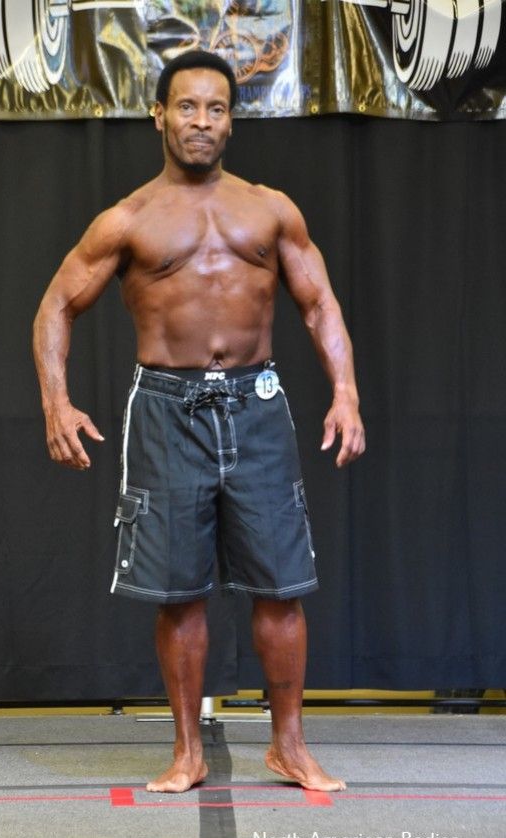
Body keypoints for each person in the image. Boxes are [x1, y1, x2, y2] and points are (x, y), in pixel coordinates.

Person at [33, 50, 365, 794]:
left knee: (282, 586)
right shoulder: (127, 219)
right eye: (187, 106)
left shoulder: (270, 208)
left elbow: (318, 302)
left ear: (232, 122)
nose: (202, 121)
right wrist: (57, 401)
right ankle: (187, 752)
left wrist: (345, 392)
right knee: (179, 592)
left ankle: (289, 747)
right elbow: (57, 304)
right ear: (159, 115)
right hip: (166, 407)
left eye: (217, 108)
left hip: (258, 404)